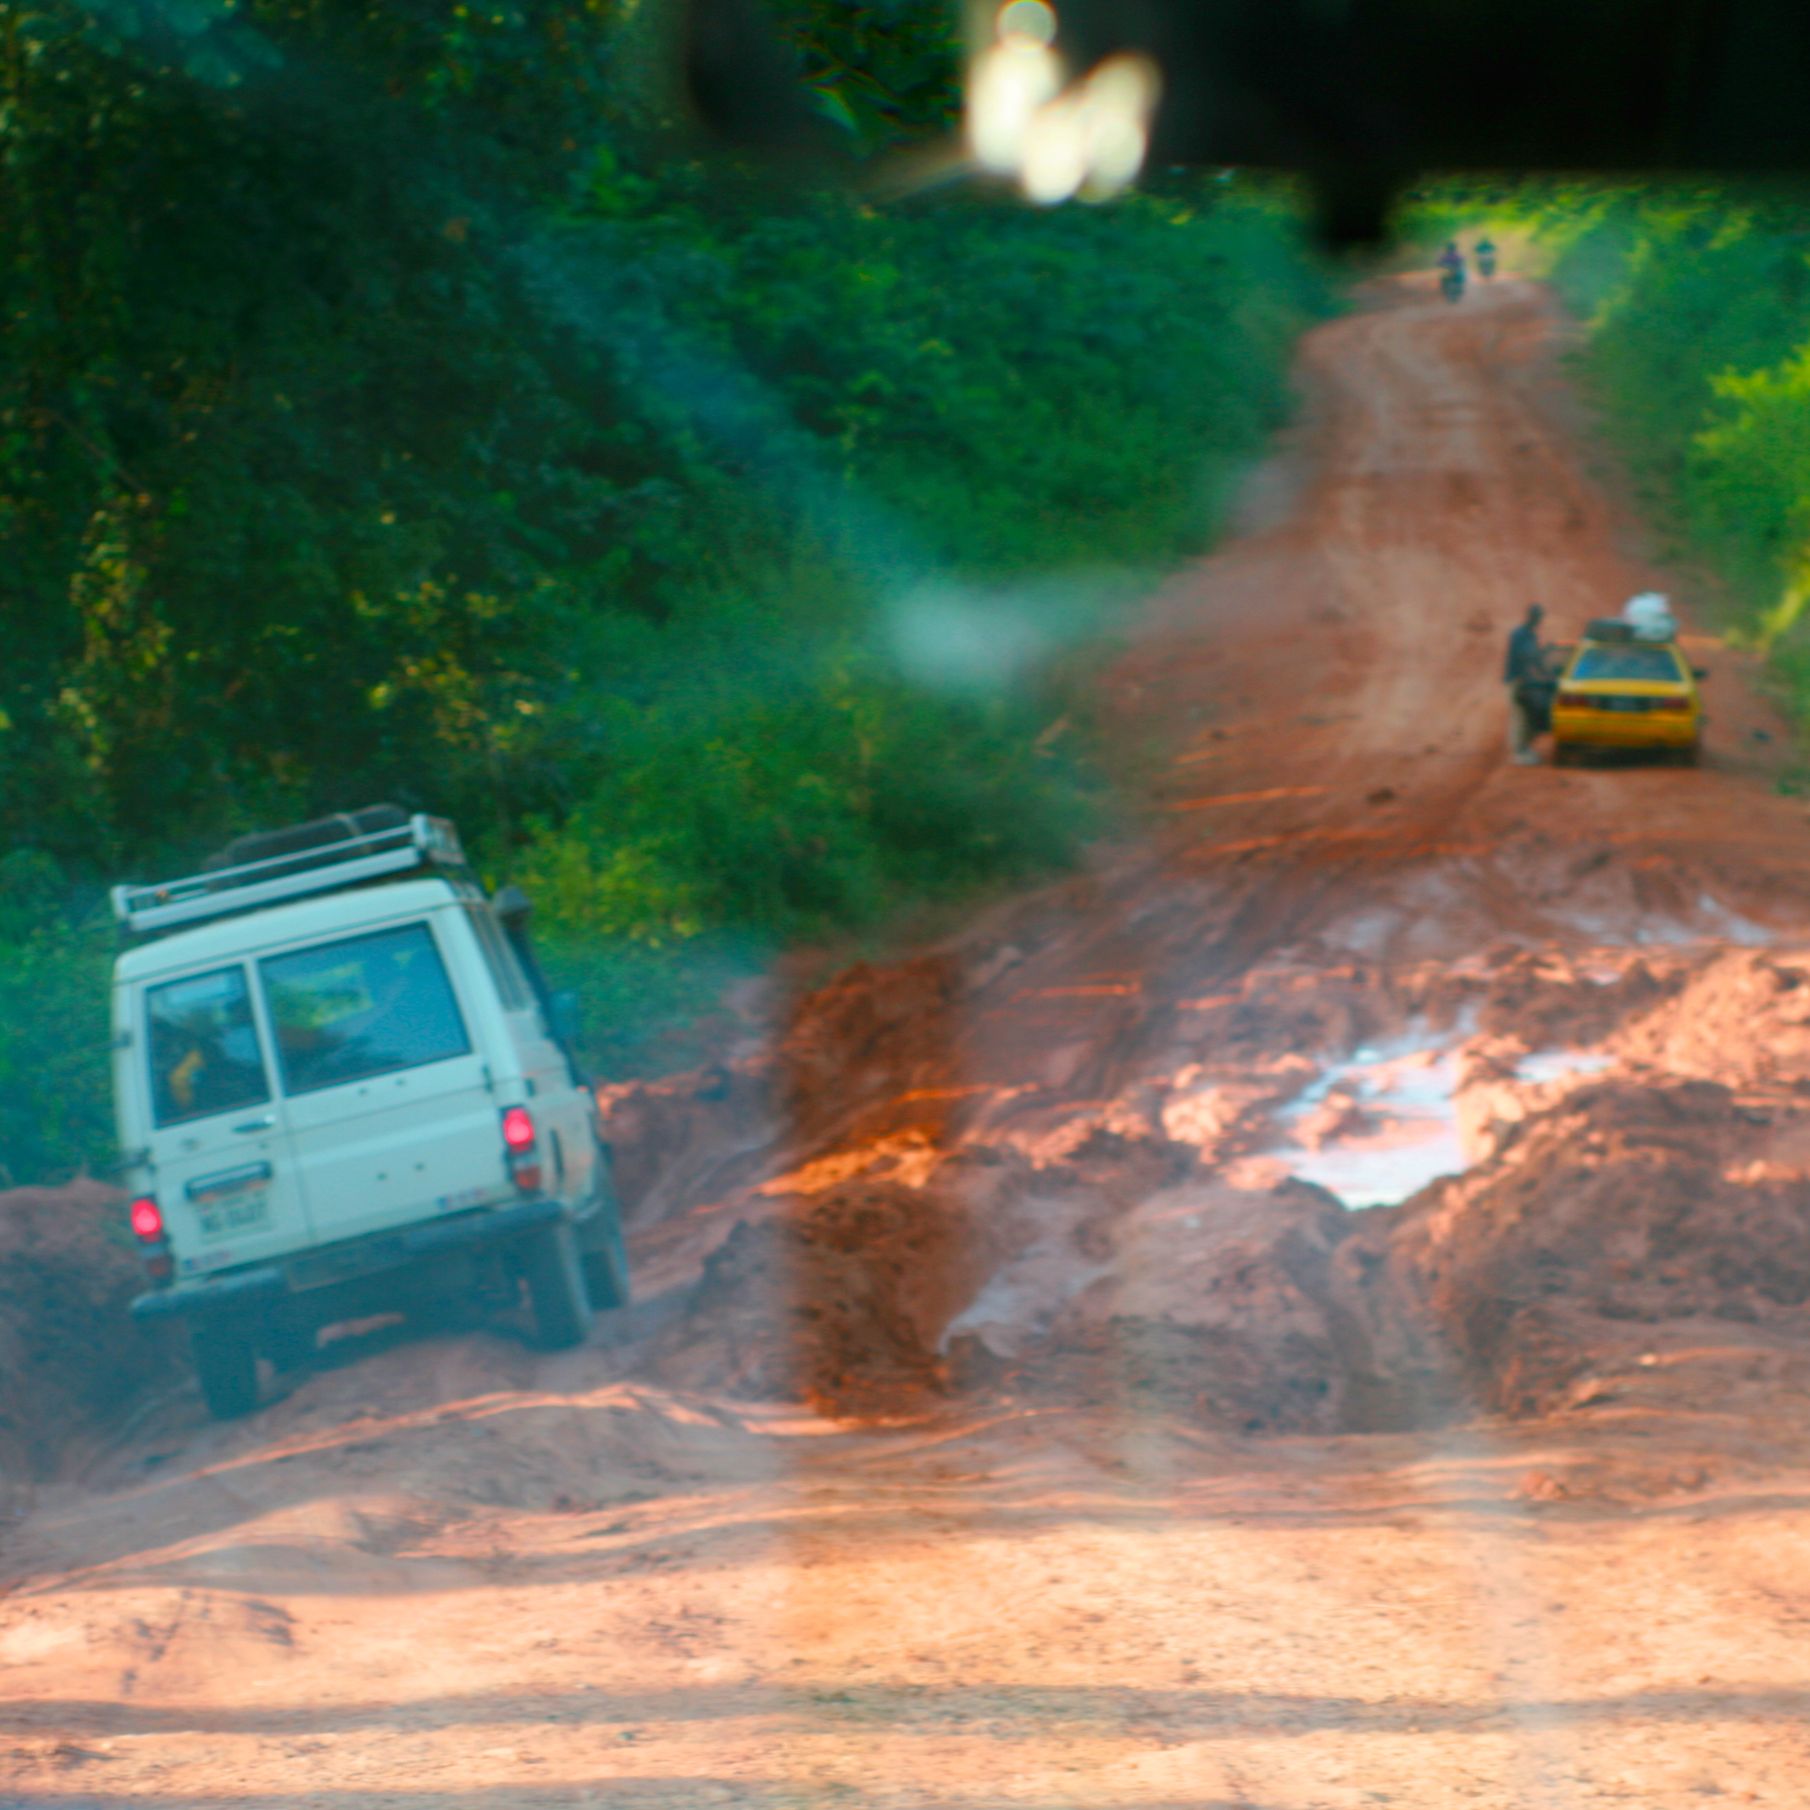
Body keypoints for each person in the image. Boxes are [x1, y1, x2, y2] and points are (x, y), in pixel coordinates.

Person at [1504, 602, 1551, 764]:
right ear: (1532, 617)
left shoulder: (1530, 635)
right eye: (1537, 617)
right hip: (1517, 680)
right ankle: (1518, 752)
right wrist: (1539, 674)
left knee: (1527, 717)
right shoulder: (1520, 634)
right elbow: (1526, 657)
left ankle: (1523, 747)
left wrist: (1547, 674)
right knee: (1519, 716)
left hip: (1526, 682)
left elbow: (1536, 659)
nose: (1539, 620)